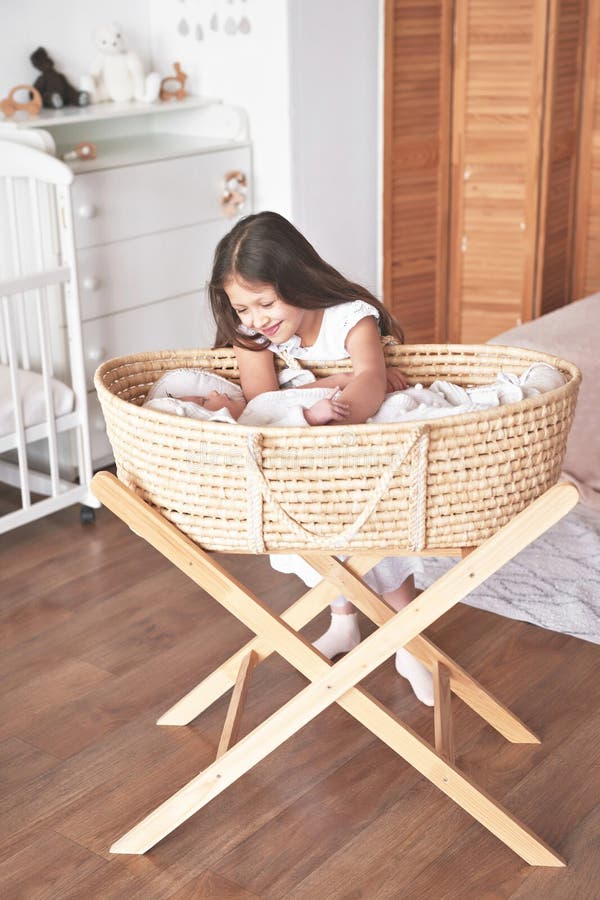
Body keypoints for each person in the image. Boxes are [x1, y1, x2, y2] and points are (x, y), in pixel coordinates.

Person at [207, 210, 434, 706]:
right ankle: (344, 619)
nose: (255, 320)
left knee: (373, 531)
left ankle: (409, 638)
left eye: (264, 303)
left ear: (298, 279)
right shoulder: (253, 336)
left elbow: (372, 380)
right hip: (295, 453)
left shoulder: (352, 317)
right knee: (316, 535)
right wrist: (331, 384)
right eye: (242, 308)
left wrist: (340, 408)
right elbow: (264, 404)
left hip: (355, 444)